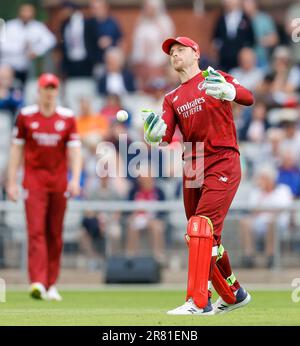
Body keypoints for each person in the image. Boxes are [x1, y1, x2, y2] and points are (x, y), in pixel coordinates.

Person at [142, 36, 254, 315]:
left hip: (223, 159)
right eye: (171, 52)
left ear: (196, 53)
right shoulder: (171, 98)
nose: (175, 55)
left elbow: (248, 97)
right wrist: (153, 134)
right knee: (200, 237)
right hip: (192, 164)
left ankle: (199, 301)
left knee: (201, 228)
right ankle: (234, 293)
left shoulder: (214, 77)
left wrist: (229, 90)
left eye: (181, 50)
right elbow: (164, 137)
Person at [6, 73, 82, 301]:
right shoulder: (26, 116)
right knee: (36, 230)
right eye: (45, 89)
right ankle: (38, 281)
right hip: (34, 180)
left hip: (58, 181)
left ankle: (51, 283)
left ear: (57, 91)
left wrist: (75, 179)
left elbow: (75, 151)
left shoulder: (67, 117)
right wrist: (11, 181)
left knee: (55, 232)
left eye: (53, 89)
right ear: (38, 91)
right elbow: (16, 150)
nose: (49, 93)